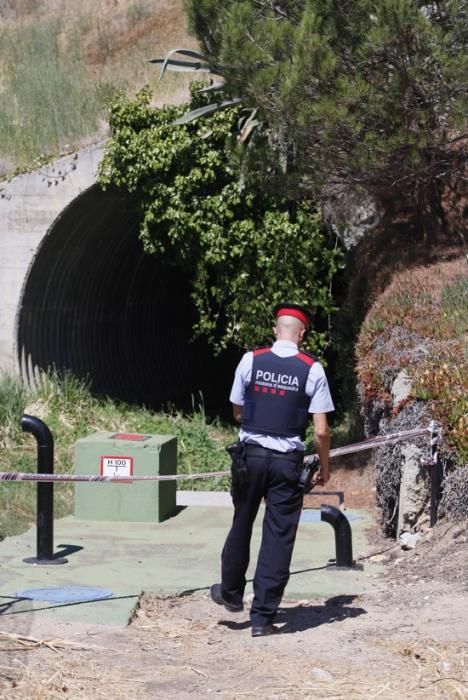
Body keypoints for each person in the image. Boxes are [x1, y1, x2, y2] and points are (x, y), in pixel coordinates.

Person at [210, 302, 334, 637]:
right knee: (278, 536)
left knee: (242, 521)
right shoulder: (313, 369)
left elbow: (237, 411)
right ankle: (263, 618)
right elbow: (321, 431)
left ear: (276, 330)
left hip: (249, 457)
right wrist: (324, 466)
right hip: (286, 462)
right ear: (302, 334)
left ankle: (231, 594)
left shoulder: (251, 359)